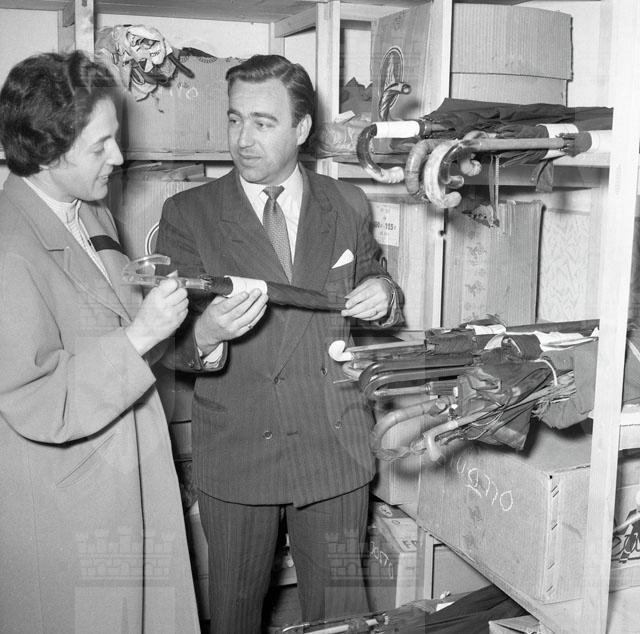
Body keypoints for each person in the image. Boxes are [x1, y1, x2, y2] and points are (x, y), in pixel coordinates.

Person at [156, 53, 403, 633]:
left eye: (263, 123)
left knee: (342, 615)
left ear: (301, 128)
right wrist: (208, 333)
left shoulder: (347, 203)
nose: (243, 139)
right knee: (235, 614)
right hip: (240, 450)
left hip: (333, 446)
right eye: (235, 119)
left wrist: (383, 293)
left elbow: (375, 276)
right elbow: (166, 343)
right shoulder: (189, 213)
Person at [0, 51, 199, 633]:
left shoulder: (90, 211)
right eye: (100, 146)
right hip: (71, 504)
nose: (118, 157)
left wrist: (193, 328)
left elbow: (119, 322)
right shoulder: (9, 250)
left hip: (125, 469)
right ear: (46, 152)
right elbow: (39, 400)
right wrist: (142, 333)